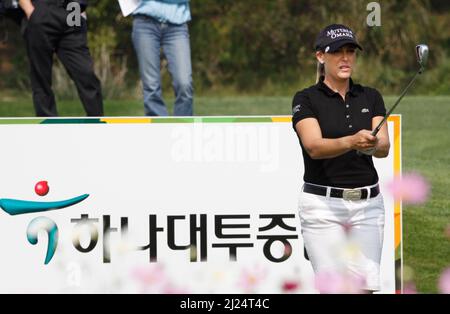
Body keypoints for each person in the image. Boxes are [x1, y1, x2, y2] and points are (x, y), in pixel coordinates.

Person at [292, 24, 390, 292]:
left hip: (368, 206)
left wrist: (371, 145)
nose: (345, 58)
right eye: (337, 52)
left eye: (350, 51)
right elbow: (314, 146)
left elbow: (384, 147)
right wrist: (351, 141)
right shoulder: (306, 99)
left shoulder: (370, 96)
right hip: (322, 207)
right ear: (320, 57)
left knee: (364, 289)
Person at [19, 0, 103, 117]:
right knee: (41, 77)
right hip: (41, 9)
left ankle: (97, 121)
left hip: (73, 8)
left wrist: (80, 9)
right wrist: (29, 10)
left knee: (85, 72)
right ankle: (47, 123)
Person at [131, 0, 193, 116]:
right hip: (145, 24)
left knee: (184, 83)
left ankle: (183, 128)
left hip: (177, 26)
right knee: (151, 86)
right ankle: (159, 130)